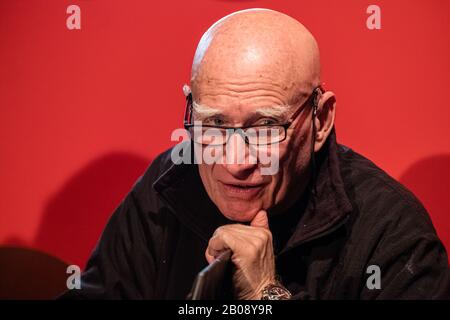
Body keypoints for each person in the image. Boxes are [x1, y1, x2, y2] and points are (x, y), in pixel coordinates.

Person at [62, 8, 449, 299]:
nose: (234, 162)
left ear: (321, 119)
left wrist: (265, 294)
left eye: (264, 128)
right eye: (213, 124)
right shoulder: (168, 185)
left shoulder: (392, 232)